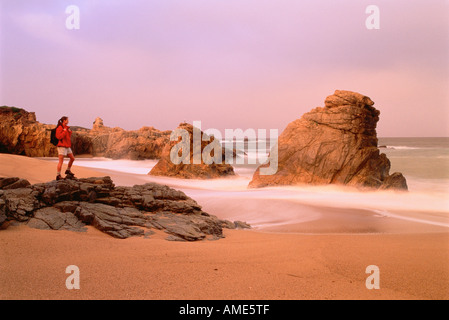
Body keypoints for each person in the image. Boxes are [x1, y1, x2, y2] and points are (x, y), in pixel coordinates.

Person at [55, 116, 75, 180]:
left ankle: (68, 170)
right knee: (61, 161)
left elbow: (67, 137)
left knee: (72, 158)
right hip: (61, 146)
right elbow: (59, 137)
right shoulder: (60, 128)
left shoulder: (66, 128)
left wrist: (69, 132)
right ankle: (58, 175)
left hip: (67, 146)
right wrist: (64, 131)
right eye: (67, 120)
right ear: (64, 120)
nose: (68, 121)